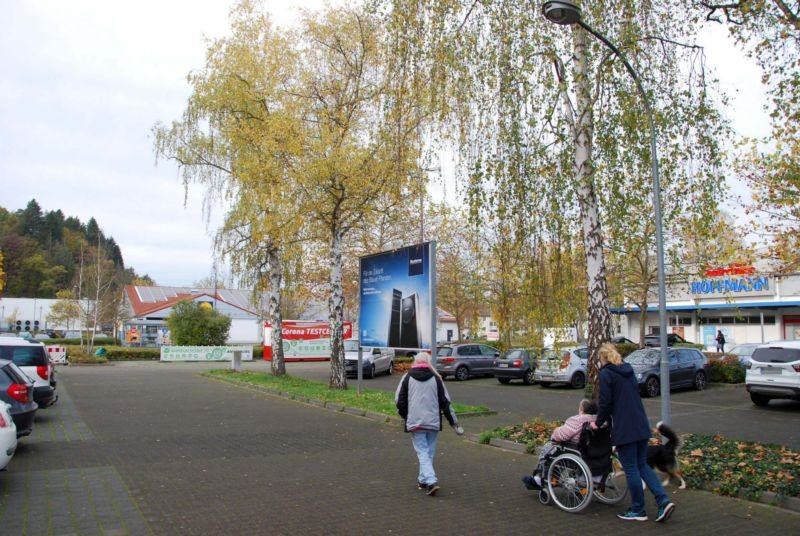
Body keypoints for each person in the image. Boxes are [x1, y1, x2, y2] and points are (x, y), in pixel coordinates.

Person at [591, 343, 675, 523]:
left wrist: (598, 423)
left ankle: (638, 509)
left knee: (631, 468)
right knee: (642, 465)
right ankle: (663, 500)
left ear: (603, 358)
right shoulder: (628, 370)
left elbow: (605, 402)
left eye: (599, 359)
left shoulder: (607, 373)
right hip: (640, 423)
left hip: (624, 427)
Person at [395, 351, 464, 496]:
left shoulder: (407, 378)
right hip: (433, 421)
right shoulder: (436, 378)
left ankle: (431, 480)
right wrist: (454, 423)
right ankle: (423, 480)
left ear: (415, 361)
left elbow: (399, 401)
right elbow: (445, 402)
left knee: (422, 452)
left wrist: (406, 416)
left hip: (416, 422)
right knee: (428, 452)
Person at [522, 398, 598, 491]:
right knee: (555, 451)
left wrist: (556, 431)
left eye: (580, 407)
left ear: (582, 409)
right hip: (594, 451)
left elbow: (562, 436)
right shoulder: (598, 421)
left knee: (549, 448)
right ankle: (552, 477)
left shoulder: (578, 421)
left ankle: (539, 479)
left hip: (576, 451)